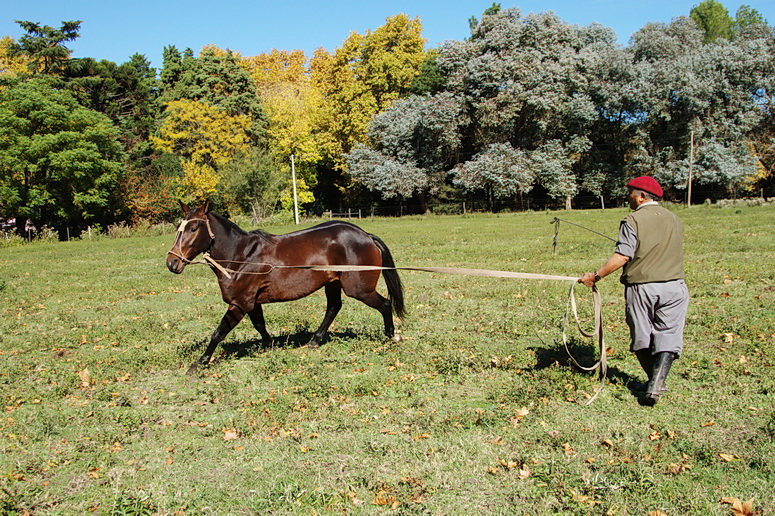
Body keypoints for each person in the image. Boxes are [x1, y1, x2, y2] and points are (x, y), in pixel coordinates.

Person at [578, 176, 689, 406]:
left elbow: (623, 256)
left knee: (642, 337)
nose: (627, 196)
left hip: (643, 288)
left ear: (641, 196)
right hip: (675, 287)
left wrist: (596, 276)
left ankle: (654, 383)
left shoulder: (633, 220)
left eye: (630, 192)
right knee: (668, 335)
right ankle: (657, 383)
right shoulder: (674, 219)